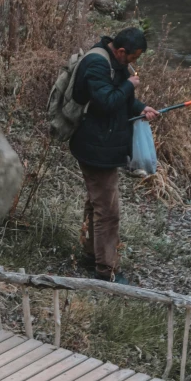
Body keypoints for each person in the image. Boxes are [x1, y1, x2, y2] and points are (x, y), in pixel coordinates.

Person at [70, 28, 159, 283]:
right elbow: (107, 101)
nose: (133, 64)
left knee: (97, 203)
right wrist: (129, 85)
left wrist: (142, 108)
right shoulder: (97, 65)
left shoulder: (115, 63)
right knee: (108, 212)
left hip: (103, 144)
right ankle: (106, 270)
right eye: (132, 58)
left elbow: (123, 99)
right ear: (121, 51)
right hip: (95, 147)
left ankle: (91, 254)